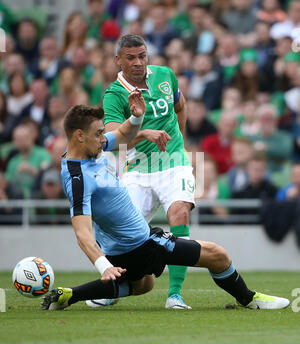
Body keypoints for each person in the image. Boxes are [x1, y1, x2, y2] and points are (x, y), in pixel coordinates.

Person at [41, 102, 289, 311]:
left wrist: (137, 116)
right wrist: (104, 266)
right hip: (139, 244)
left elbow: (122, 135)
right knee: (218, 255)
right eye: (97, 133)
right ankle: (249, 299)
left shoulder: (89, 150)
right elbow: (82, 234)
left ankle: (70, 295)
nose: (102, 138)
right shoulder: (77, 178)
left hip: (126, 244)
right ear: (79, 136)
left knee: (144, 284)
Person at [102, 34, 196, 309]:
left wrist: (179, 139)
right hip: (138, 168)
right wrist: (142, 133)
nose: (138, 62)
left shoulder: (165, 75)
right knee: (122, 234)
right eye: (130, 58)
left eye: (142, 56)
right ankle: (115, 287)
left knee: (180, 212)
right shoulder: (114, 94)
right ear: (118, 60)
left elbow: (180, 105)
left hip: (173, 162)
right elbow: (110, 140)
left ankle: (175, 294)